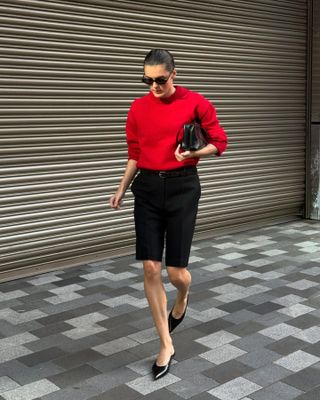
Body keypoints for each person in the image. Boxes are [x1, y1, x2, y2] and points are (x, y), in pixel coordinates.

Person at [110, 49, 227, 380]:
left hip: (183, 188)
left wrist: (195, 151)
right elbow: (134, 153)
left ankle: (184, 295)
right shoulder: (137, 107)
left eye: (160, 80)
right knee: (150, 267)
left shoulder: (196, 103)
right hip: (146, 188)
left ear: (174, 75)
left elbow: (220, 142)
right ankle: (165, 344)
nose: (153, 86)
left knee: (177, 273)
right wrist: (121, 188)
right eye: (147, 80)